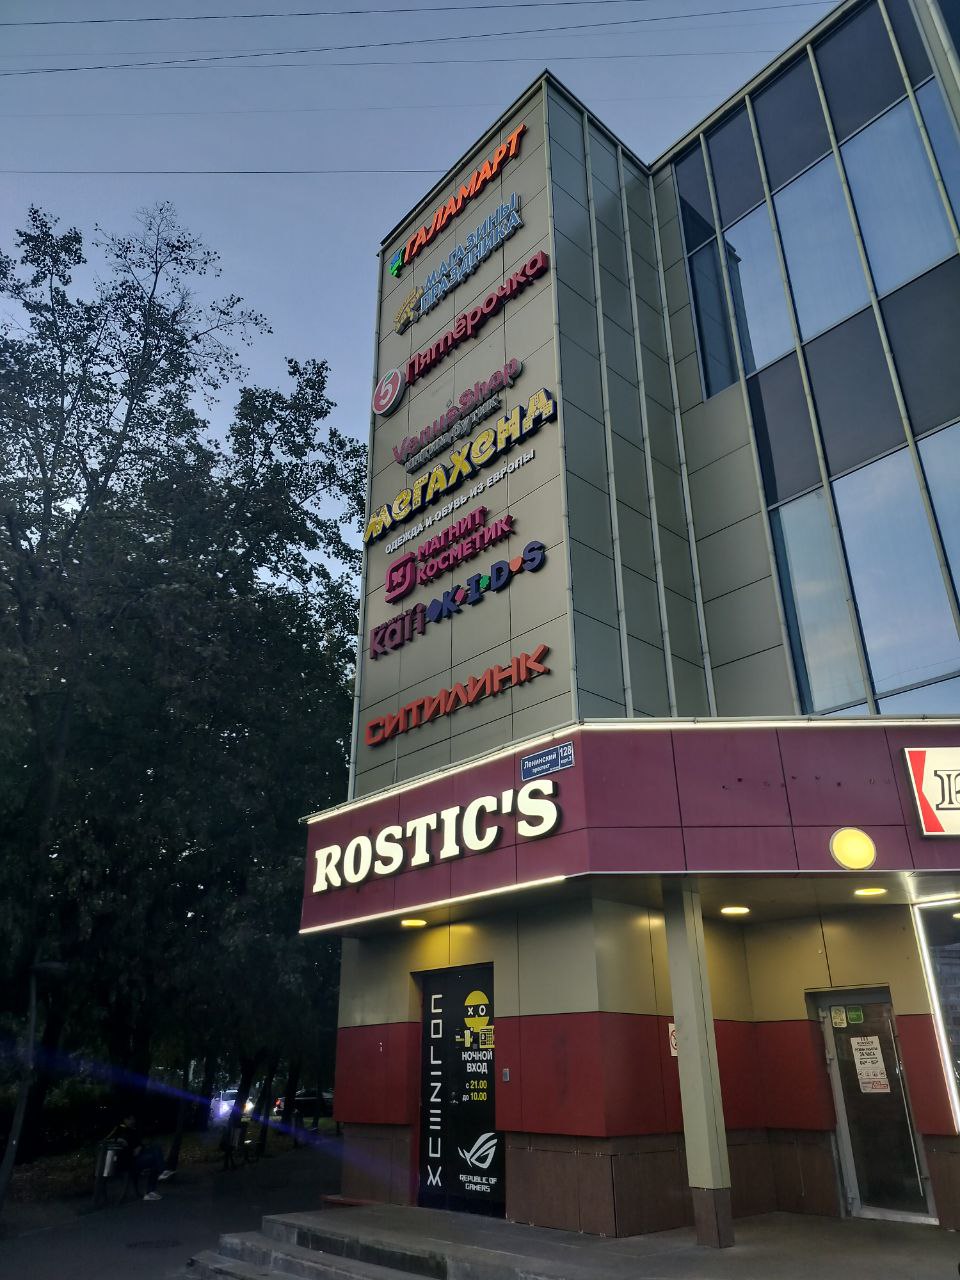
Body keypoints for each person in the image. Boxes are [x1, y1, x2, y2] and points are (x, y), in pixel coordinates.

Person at [107, 1116, 174, 1201]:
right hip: (129, 1161)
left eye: (133, 1119)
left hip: (137, 1158)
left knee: (156, 1153)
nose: (133, 1121)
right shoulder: (120, 1129)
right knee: (155, 1160)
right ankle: (161, 1173)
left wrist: (140, 1147)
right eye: (130, 1119)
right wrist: (118, 1140)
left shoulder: (133, 1131)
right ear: (125, 1120)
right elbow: (108, 1139)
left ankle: (151, 1191)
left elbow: (138, 1143)